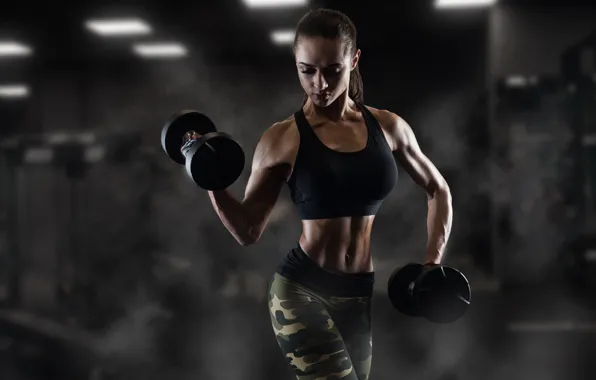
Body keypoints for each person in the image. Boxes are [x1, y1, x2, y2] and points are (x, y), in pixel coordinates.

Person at [204, 8, 453, 380]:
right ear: (296, 65)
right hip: (302, 291)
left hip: (358, 292)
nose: (320, 83)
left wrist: (432, 262)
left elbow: (438, 189)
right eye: (307, 70)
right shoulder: (281, 139)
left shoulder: (388, 127)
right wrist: (211, 178)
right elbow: (247, 231)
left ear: (353, 60)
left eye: (333, 70)